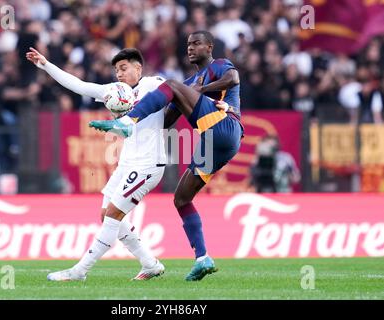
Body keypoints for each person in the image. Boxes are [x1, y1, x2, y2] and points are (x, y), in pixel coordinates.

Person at [90, 31, 244, 281]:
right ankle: (202, 258)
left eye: (196, 43)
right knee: (182, 199)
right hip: (213, 143)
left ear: (209, 47)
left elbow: (233, 78)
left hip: (226, 125)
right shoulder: (190, 81)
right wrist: (142, 127)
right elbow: (167, 119)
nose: (191, 48)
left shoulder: (217, 66)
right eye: (188, 44)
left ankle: (130, 120)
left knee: (172, 85)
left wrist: (200, 90)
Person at [26, 47, 166, 281]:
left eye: (124, 68)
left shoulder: (154, 84)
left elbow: (181, 91)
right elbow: (78, 85)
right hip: (126, 163)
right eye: (116, 70)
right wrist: (45, 64)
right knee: (106, 215)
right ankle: (149, 264)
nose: (119, 74)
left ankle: (79, 271)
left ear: (138, 68)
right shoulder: (114, 92)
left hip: (148, 164)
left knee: (112, 215)